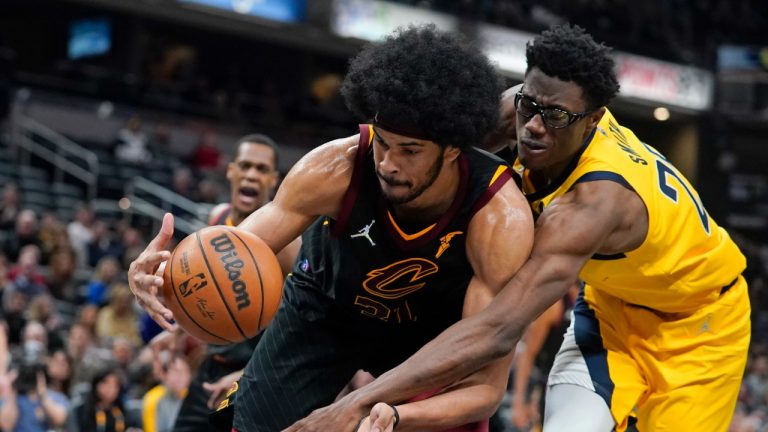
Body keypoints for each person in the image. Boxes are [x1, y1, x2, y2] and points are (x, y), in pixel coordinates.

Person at [297, 24, 750, 432]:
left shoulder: (594, 203)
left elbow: (497, 330)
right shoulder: (523, 109)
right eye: (528, 104)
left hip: (703, 328)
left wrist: (357, 403)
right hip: (612, 313)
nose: (533, 126)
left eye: (554, 116)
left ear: (592, 119)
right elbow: (429, 165)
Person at [128, 25, 534, 432]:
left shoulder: (498, 217)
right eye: (383, 142)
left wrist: (376, 410)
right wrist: (165, 277)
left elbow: (485, 388)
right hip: (324, 310)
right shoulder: (334, 168)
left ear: (452, 149)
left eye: (409, 151)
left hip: (432, 340)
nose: (388, 163)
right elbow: (235, 251)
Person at [164, 133, 300, 432]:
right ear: (231, 171)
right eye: (246, 165)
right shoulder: (218, 217)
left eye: (262, 170)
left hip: (256, 376)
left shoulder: (288, 244)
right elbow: (205, 289)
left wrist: (246, 374)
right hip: (212, 369)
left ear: (274, 180)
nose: (252, 174)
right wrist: (178, 331)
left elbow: (299, 325)